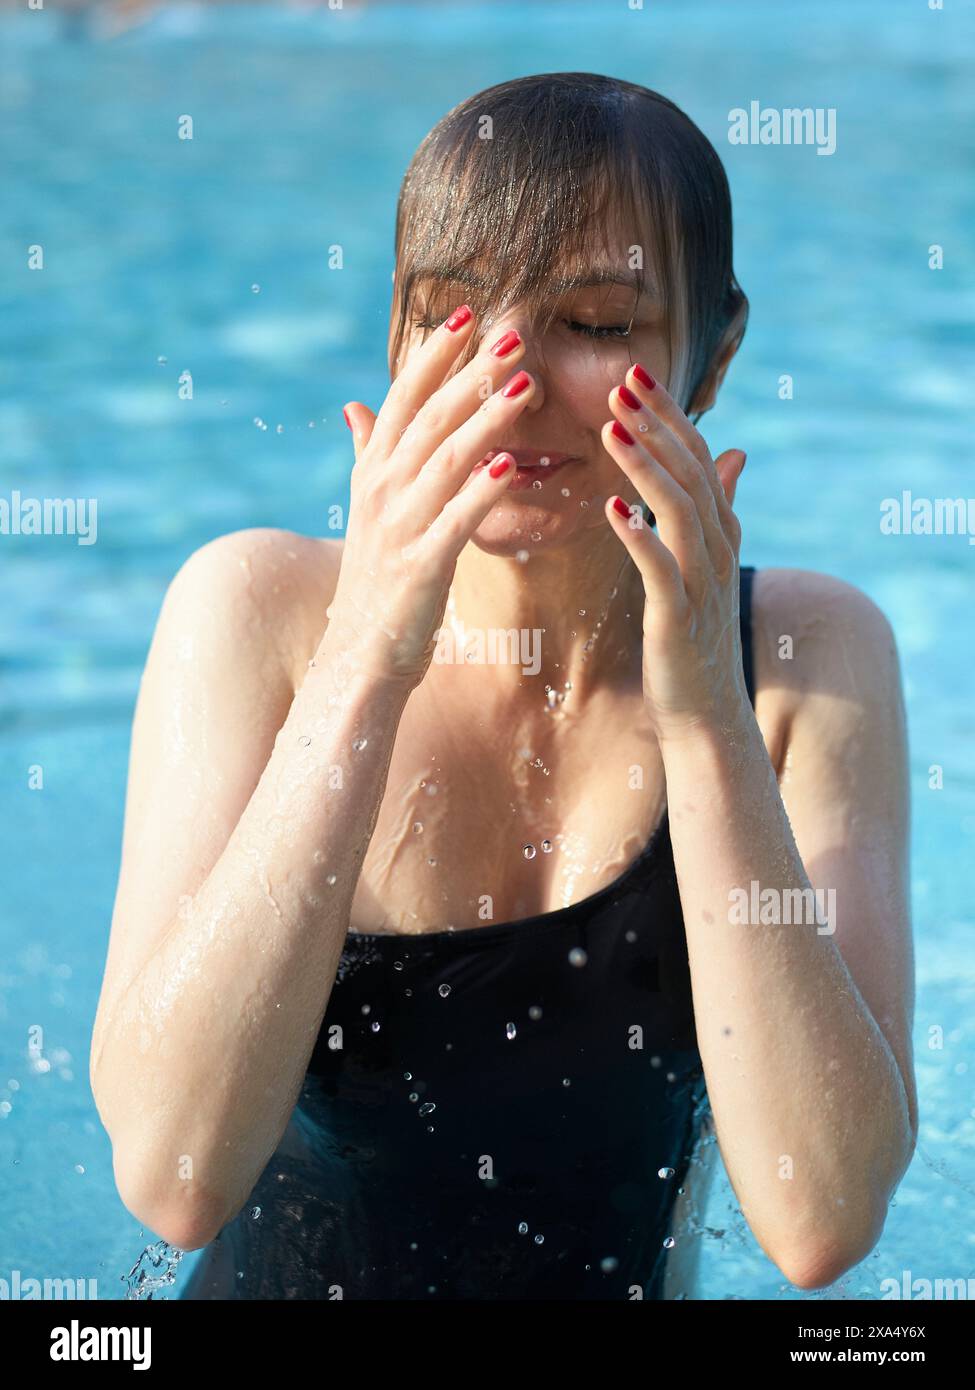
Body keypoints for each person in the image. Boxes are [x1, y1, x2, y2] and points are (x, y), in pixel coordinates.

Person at [89, 72, 917, 1300]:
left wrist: (702, 719)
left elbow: (819, 1220)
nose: (510, 378)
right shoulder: (257, 616)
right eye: (456, 312)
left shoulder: (804, 662)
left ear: (715, 357)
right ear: (394, 333)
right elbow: (175, 1175)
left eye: (594, 322)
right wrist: (368, 658)